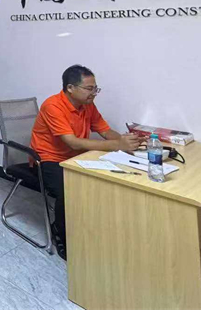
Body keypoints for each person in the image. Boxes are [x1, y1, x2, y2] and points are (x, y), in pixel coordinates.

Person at [29, 64, 143, 260]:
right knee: (69, 189)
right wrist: (117, 145)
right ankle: (60, 233)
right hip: (48, 159)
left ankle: (89, 226)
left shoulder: (87, 105)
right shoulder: (53, 106)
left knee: (104, 180)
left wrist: (129, 142)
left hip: (75, 157)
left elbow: (105, 131)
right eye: (89, 88)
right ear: (70, 88)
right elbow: (72, 142)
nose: (94, 93)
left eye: (95, 88)